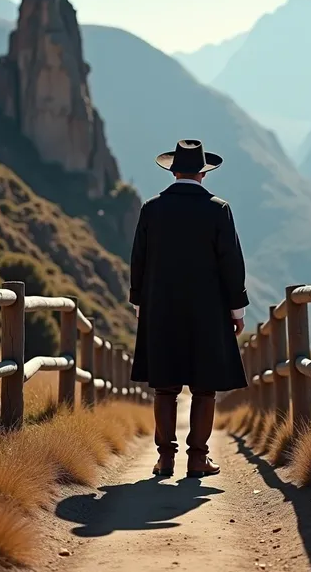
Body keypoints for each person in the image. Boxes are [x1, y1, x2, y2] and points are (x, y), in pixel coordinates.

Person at [129, 139, 249, 478]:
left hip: (161, 309)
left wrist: (140, 302)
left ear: (172, 170)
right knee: (204, 386)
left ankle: (165, 458)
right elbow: (231, 264)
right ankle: (198, 459)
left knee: (164, 385)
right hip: (207, 312)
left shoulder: (151, 209)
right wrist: (236, 310)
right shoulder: (218, 209)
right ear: (203, 174)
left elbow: (138, 259)